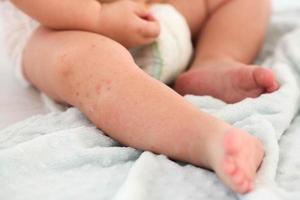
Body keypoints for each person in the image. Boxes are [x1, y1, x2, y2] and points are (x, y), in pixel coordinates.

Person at [7, 0, 278, 194]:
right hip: (58, 26)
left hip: (152, 15)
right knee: (88, 65)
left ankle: (214, 59)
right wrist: (99, 16)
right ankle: (204, 137)